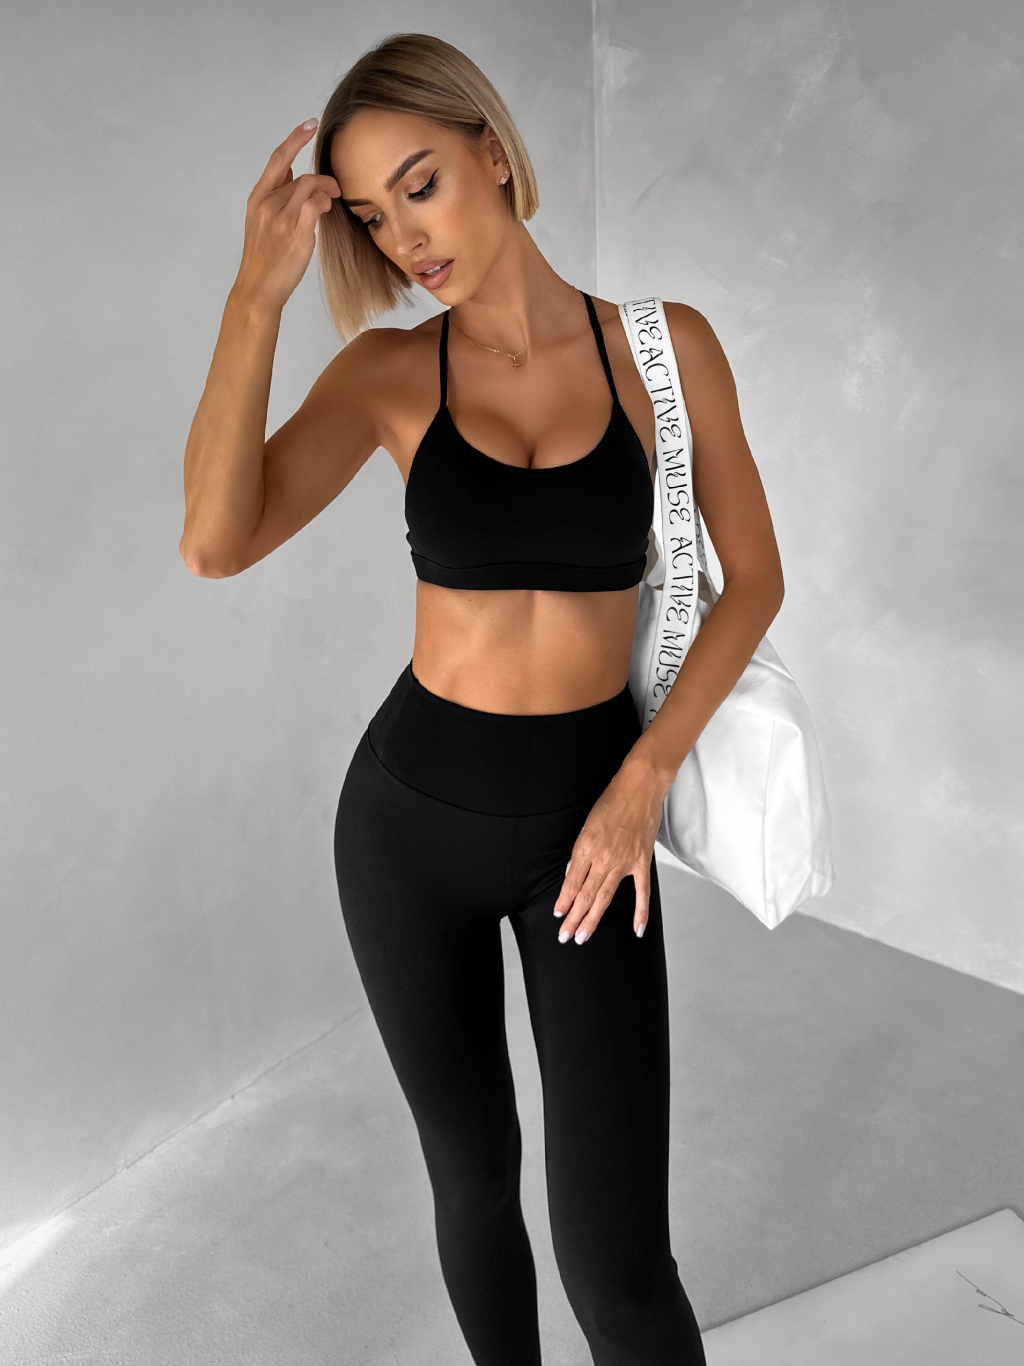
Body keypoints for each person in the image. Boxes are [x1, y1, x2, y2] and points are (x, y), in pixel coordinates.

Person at [180, 31, 783, 1366]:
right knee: (472, 1179)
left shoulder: (661, 352)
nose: (405, 237)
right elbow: (215, 542)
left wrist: (641, 781)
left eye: (422, 185)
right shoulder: (390, 376)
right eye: (373, 214)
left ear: (493, 153)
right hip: (406, 828)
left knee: (620, 1267)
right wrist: (255, 300)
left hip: (592, 831)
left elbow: (755, 580)